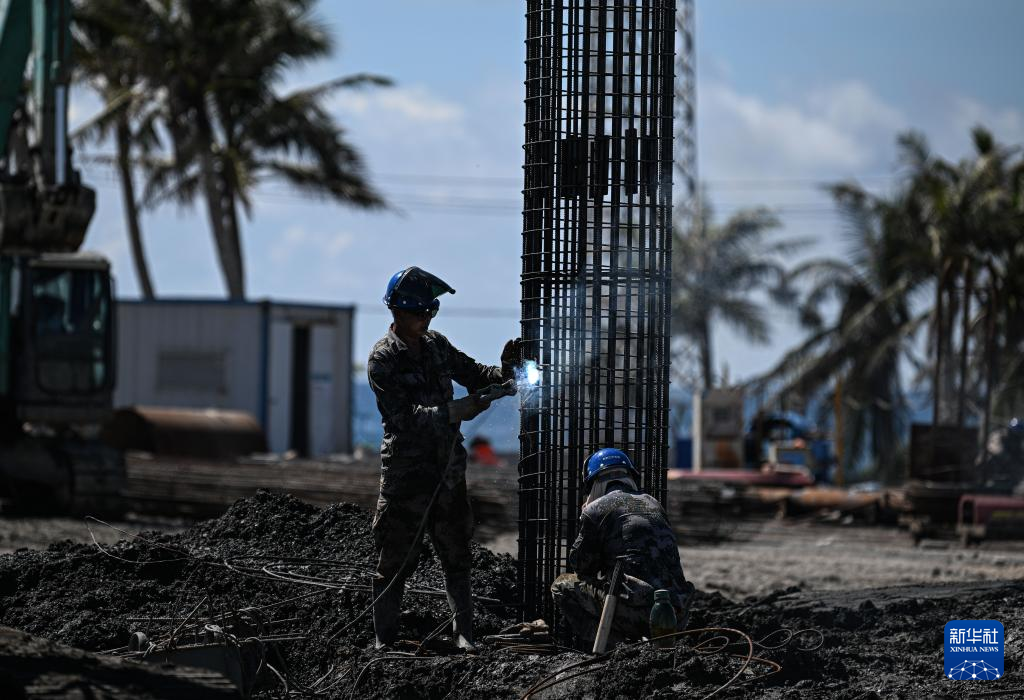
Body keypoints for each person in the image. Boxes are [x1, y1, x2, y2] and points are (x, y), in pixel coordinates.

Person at [367, 266, 522, 650]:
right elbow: (402, 419)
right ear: (398, 312)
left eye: (431, 312)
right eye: (420, 313)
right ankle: (384, 641)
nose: (427, 319)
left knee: (457, 555)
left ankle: (463, 635)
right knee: (394, 560)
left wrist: (504, 372)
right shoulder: (383, 360)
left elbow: (476, 374)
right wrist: (455, 411)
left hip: (447, 472)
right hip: (407, 477)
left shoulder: (436, 345)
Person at [551, 448, 695, 648]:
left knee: (561, 585)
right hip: (676, 613)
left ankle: (614, 646)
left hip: (640, 613)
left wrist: (587, 520)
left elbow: (582, 566)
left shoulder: (596, 509)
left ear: (593, 483)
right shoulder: (653, 503)